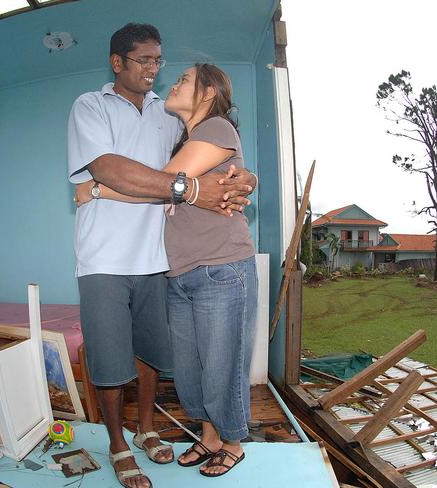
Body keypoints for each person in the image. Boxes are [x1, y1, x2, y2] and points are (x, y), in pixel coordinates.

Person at [67, 23, 256, 488]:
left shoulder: (169, 117)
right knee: (123, 365)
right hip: (107, 258)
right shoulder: (90, 105)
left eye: (161, 62)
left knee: (159, 357)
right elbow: (113, 168)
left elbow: (200, 162)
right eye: (144, 60)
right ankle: (118, 445)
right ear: (118, 62)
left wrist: (243, 179)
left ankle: (156, 430)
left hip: (161, 261)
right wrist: (191, 189)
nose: (157, 70)